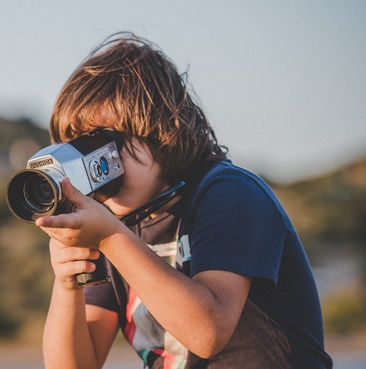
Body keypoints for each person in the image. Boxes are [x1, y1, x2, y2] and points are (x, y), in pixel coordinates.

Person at [35, 32, 332, 369]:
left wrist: (109, 237)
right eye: (80, 150)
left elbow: (208, 332)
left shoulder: (229, 193)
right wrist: (67, 284)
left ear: (163, 130)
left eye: (106, 143)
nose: (99, 166)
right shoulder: (110, 227)